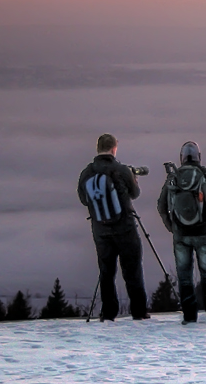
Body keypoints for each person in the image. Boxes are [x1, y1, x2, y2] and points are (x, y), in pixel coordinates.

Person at [77, 133, 149, 321]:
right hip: (125, 227)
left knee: (106, 272)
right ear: (114, 148)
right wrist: (133, 180)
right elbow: (135, 194)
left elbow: (84, 199)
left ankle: (109, 313)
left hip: (100, 231)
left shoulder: (87, 173)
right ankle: (139, 312)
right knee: (132, 270)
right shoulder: (121, 170)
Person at [157, 141, 206, 325]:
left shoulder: (174, 177)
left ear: (181, 158)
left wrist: (171, 227)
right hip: (203, 232)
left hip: (180, 234)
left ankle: (189, 317)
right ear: (199, 156)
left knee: (184, 275)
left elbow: (161, 205)